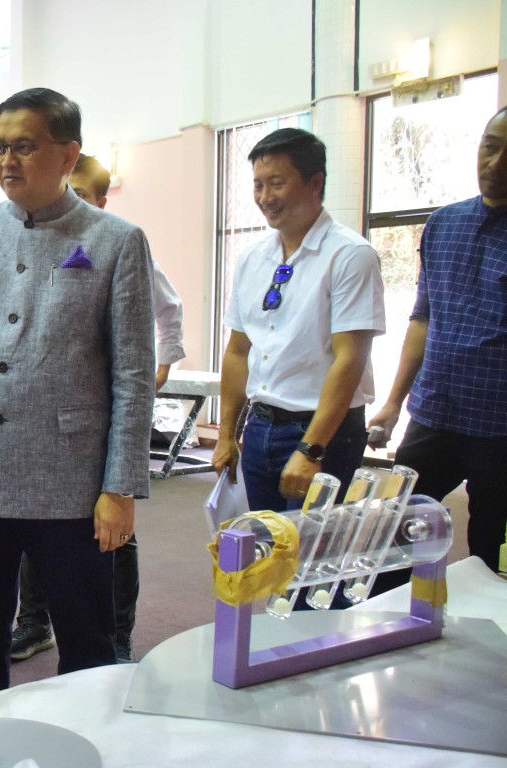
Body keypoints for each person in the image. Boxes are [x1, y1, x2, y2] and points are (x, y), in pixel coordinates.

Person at [0, 88, 155, 698]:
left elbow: (132, 376)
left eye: (24, 146)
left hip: (71, 482)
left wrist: (120, 487)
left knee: (87, 639)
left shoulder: (115, 240)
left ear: (68, 155)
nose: (6, 160)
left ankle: (88, 741)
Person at [11, 152, 186, 663]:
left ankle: (118, 635)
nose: (69, 201)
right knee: (33, 523)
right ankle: (34, 621)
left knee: (112, 532)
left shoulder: (119, 243)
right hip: (43, 417)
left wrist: (161, 365)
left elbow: (170, 308)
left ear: (102, 201)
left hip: (102, 417)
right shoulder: (34, 241)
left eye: (82, 194)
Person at [212, 128, 384, 513]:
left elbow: (350, 359)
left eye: (276, 183)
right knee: (263, 541)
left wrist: (311, 448)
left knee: (311, 547)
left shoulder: (350, 255)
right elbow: (238, 351)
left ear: (315, 182)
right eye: (258, 185)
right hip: (260, 425)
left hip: (323, 432)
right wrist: (226, 434)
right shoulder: (252, 259)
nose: (265, 197)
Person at [366, 106, 507, 574]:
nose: (496, 162)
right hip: (434, 412)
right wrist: (393, 403)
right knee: (399, 529)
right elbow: (423, 319)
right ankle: (392, 612)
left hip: (498, 424)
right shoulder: (443, 224)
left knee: (487, 545)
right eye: (490, 147)